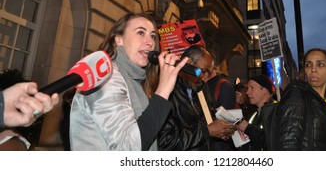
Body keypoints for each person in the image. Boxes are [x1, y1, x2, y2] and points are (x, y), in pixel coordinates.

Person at [69, 12, 189, 151]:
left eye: (153, 36)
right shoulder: (107, 76)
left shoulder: (136, 81)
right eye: (140, 33)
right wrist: (163, 90)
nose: (150, 42)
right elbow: (128, 148)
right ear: (118, 39)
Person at [158, 45, 235, 150]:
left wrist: (220, 131)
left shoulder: (202, 88)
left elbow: (209, 121)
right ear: (188, 64)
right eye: (203, 71)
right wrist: (207, 131)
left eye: (209, 72)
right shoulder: (167, 91)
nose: (205, 78)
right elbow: (166, 142)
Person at [236, 75, 275, 151]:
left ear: (264, 90)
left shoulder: (276, 111)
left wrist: (248, 128)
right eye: (248, 88)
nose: (247, 92)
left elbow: (270, 140)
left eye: (252, 88)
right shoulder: (255, 112)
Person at [203, 67, 236, 150]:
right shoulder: (202, 85)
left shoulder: (224, 86)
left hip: (218, 144)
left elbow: (224, 122)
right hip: (205, 140)